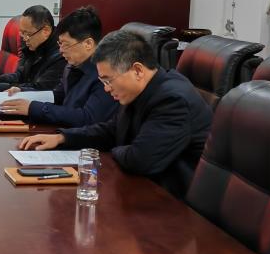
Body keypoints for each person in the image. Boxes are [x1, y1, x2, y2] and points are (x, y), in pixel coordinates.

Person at [19, 29, 212, 199]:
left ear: (137, 70)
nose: (106, 88)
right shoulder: (140, 90)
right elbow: (112, 130)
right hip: (142, 190)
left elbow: (140, 160)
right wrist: (63, 138)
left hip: (172, 205)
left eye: (108, 80)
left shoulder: (172, 100)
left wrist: (114, 150)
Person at [0, 6, 117, 127]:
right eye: (60, 43)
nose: (61, 50)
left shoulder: (104, 74)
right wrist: (23, 92)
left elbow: (87, 118)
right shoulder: (72, 65)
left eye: (66, 44)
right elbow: (58, 95)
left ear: (88, 44)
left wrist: (34, 108)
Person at [0, 5, 65, 96]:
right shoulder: (30, 44)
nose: (24, 38)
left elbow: (41, 89)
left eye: (28, 34)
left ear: (46, 31)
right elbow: (20, 76)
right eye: (22, 33)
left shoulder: (61, 55)